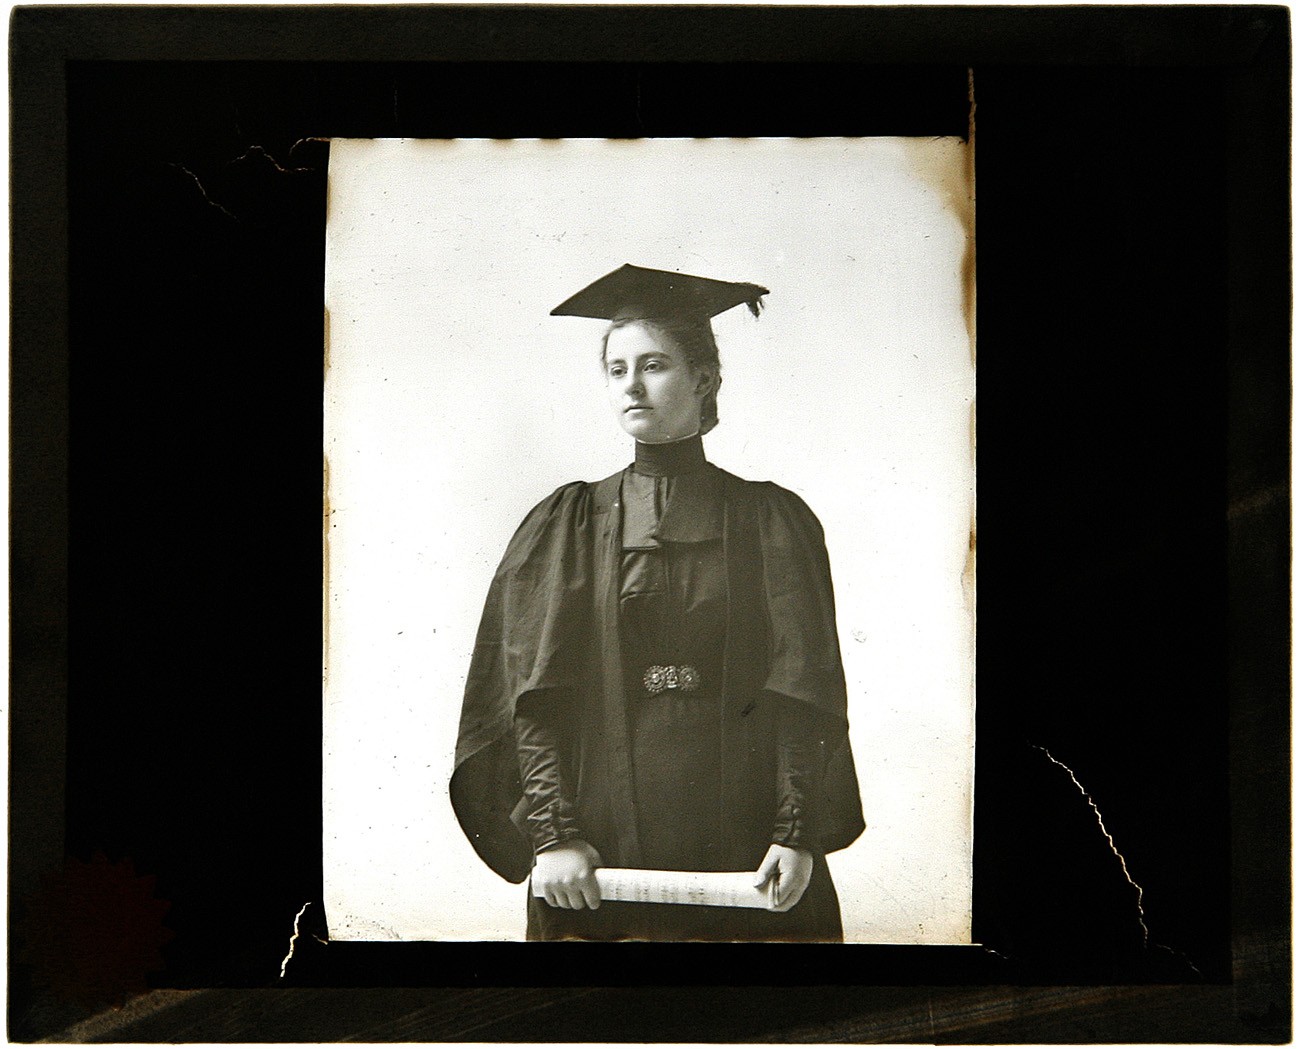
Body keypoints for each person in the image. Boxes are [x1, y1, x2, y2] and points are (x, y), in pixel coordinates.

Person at [450, 264, 864, 941]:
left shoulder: (770, 519)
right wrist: (553, 836)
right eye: (617, 370)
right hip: (598, 850)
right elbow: (535, 696)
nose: (632, 386)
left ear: (703, 379)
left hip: (749, 843)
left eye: (653, 365)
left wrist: (796, 832)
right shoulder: (570, 520)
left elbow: (801, 694)